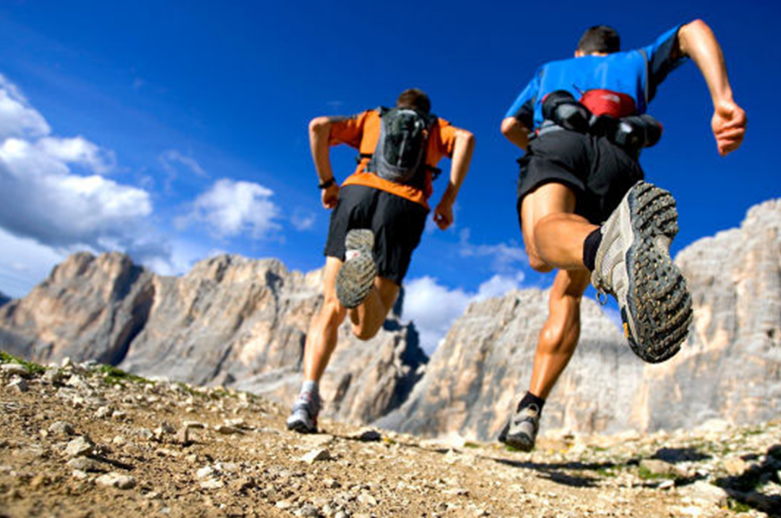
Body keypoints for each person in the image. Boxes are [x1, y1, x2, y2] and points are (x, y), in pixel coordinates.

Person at [499, 21, 747, 451]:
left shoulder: (550, 70)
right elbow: (693, 30)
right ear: (613, 49)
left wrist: (539, 146)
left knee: (543, 246)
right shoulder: (638, 61)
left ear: (580, 53)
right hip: (620, 164)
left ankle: (609, 249)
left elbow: (508, 126)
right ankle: (531, 405)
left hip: (560, 142)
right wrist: (723, 100)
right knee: (567, 287)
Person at [286, 88, 475, 433]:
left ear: (398, 107)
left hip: (356, 193)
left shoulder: (372, 118)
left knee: (331, 306)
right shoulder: (435, 128)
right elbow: (466, 138)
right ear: (425, 112)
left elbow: (318, 126)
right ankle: (364, 272)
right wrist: (448, 199)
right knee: (366, 329)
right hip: (404, 207)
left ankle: (306, 399)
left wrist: (327, 183)